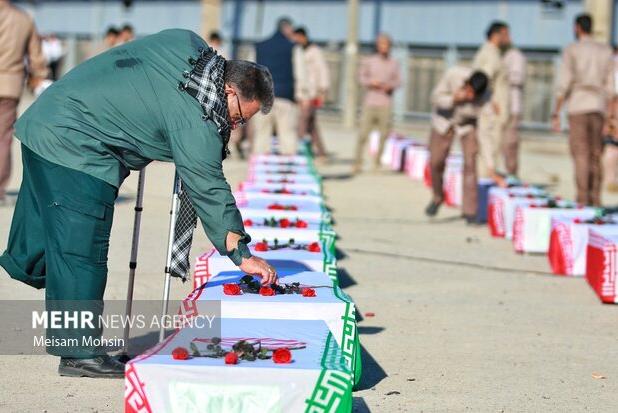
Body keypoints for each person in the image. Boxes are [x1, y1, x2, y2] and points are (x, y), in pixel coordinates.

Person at [0, 29, 277, 378]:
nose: (235, 126)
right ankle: (78, 354)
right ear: (228, 91)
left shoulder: (188, 45)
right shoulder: (197, 118)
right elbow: (209, 186)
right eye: (240, 117)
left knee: (49, 240)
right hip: (78, 149)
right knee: (80, 253)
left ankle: (35, 273)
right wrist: (242, 254)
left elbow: (141, 75)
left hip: (45, 122)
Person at [552, 13, 615, 206]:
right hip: (599, 106)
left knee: (581, 154)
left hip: (578, 105)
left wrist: (556, 112)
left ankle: (582, 199)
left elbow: (564, 82)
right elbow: (613, 85)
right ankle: (596, 199)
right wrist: (611, 116)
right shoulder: (605, 50)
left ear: (577, 28)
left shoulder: (573, 50)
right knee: (596, 154)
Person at [425, 68, 490, 222]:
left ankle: (470, 211)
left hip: (467, 126)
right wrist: (453, 99)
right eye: (469, 91)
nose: (470, 96)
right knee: (436, 162)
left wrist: (490, 164)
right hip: (443, 122)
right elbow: (434, 98)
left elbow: (487, 129)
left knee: (470, 164)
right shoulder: (453, 75)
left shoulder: (486, 97)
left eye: (474, 95)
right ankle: (437, 196)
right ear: (466, 83)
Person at [0, 0, 48, 206]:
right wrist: (38, 76)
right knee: (3, 139)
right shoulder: (23, 18)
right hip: (9, 86)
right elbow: (36, 56)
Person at [253, 17, 303, 155]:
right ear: (286, 28)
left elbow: (251, 73)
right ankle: (288, 169)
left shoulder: (259, 46)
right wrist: (300, 94)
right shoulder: (293, 48)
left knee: (262, 134)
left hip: (263, 97)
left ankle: (261, 169)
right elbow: (300, 73)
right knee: (287, 133)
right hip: (285, 96)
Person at [354, 33, 401, 174]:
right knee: (363, 133)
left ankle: (377, 162)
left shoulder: (394, 63)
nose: (384, 47)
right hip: (370, 101)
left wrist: (390, 86)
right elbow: (361, 77)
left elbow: (399, 81)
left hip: (385, 102)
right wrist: (370, 83)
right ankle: (358, 161)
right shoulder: (369, 61)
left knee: (384, 134)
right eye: (381, 44)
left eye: (386, 44)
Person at [473, 21, 511, 187]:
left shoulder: (490, 52)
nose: (509, 38)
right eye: (506, 34)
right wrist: (490, 101)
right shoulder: (491, 54)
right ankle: (483, 190)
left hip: (490, 107)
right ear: (497, 35)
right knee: (489, 149)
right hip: (492, 110)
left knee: (488, 149)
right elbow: (482, 79)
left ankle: (483, 186)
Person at [294, 27, 330, 162]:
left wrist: (323, 90)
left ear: (304, 37)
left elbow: (323, 70)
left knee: (302, 122)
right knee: (311, 125)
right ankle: (322, 153)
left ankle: (299, 148)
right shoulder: (297, 51)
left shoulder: (314, 51)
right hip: (301, 93)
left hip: (312, 92)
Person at [502, 45, 526, 179]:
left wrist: (501, 75)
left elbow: (517, 79)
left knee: (510, 144)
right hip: (499, 108)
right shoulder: (497, 55)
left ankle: (512, 177)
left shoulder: (515, 56)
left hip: (512, 108)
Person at [602, 45, 618, 193]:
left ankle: (610, 180)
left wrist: (610, 117)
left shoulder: (613, 64)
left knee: (612, 146)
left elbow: (614, 94)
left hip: (615, 108)